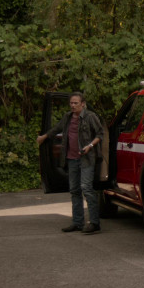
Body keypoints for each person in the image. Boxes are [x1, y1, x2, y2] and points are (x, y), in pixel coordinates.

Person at [36, 92, 104, 234]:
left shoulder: (90, 117)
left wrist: (89, 146)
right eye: (71, 103)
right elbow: (57, 129)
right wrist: (44, 136)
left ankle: (94, 223)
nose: (73, 106)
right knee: (74, 190)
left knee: (86, 188)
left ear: (83, 104)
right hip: (71, 158)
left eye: (76, 103)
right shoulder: (67, 117)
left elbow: (100, 134)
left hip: (86, 158)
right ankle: (78, 222)